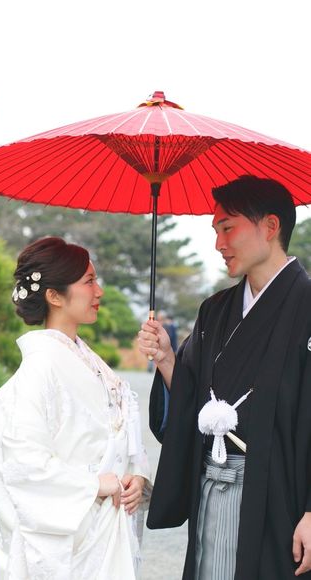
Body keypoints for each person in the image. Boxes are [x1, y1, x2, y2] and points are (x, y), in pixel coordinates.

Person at [138, 175, 311, 579]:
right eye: (216, 231)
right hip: (211, 486)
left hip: (282, 497)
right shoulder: (215, 310)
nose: (219, 243)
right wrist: (167, 360)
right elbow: (193, 399)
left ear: (270, 226)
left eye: (228, 228)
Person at [0, 237, 152, 580]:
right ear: (54, 296)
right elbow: (26, 467)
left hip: (105, 525)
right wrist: (95, 485)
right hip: (75, 539)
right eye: (89, 281)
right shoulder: (39, 370)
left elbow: (118, 433)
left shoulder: (88, 361)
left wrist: (137, 475)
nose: (99, 291)